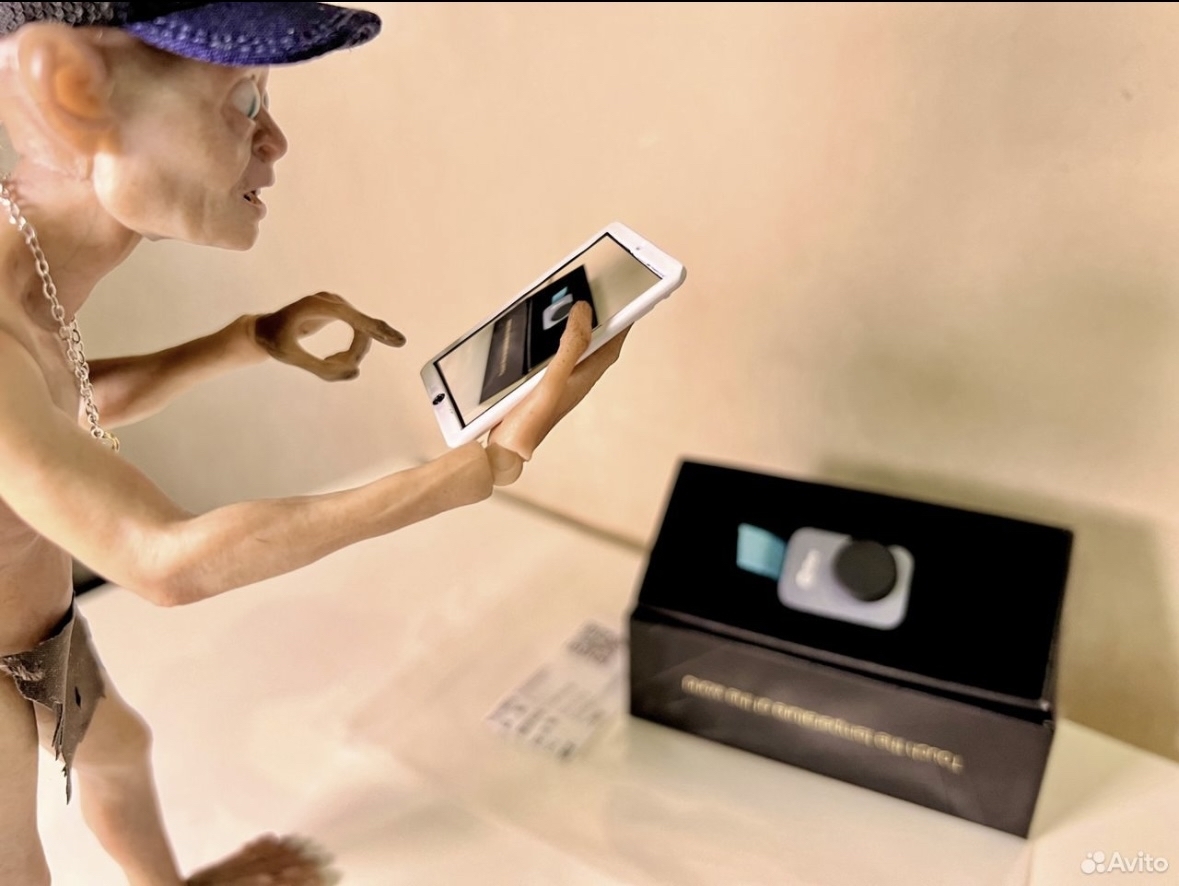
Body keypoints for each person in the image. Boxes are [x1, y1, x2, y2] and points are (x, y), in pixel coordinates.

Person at [0, 3, 627, 884]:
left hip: (43, 633)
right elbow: (162, 560)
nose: (274, 141)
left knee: (120, 753)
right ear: (72, 91)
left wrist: (243, 341)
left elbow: (54, 408)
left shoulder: (28, 273)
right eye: (243, 100)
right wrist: (475, 469)